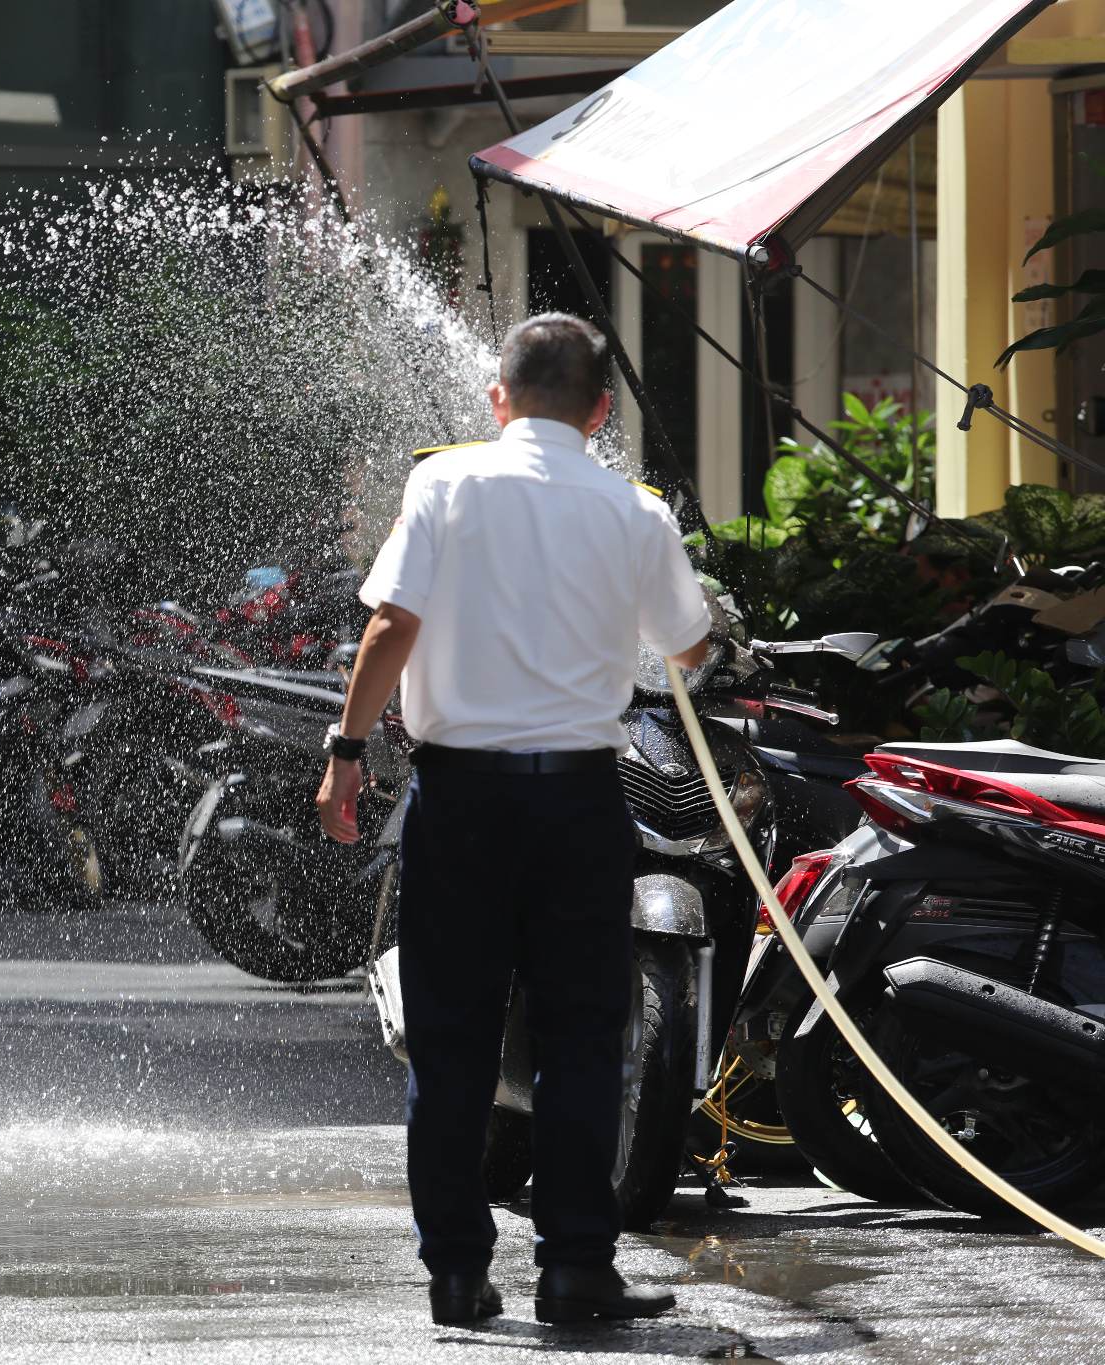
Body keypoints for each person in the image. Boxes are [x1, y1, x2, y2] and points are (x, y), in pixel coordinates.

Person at [316, 313, 710, 1327]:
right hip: (580, 800)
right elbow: (689, 645)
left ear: (496, 401)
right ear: (600, 411)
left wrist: (345, 753)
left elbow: (390, 622)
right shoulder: (635, 511)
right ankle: (576, 1269)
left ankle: (455, 1274)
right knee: (582, 1034)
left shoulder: (443, 484)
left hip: (459, 798)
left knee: (453, 1040)